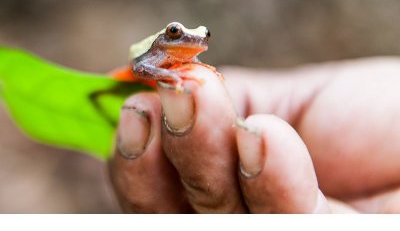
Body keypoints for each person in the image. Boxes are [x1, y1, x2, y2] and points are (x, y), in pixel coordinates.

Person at [108, 57, 400, 213]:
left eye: (203, 35)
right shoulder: (161, 52)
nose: (195, 40)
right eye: (176, 34)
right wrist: (171, 77)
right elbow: (140, 66)